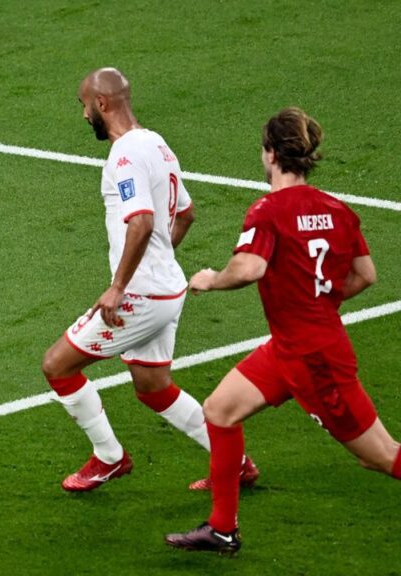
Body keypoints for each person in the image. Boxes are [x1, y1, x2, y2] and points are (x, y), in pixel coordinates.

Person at [165, 107, 401, 554]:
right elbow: (365, 275)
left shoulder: (268, 211)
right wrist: (318, 302)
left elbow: (251, 267)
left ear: (270, 153)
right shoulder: (339, 211)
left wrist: (211, 278)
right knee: (219, 410)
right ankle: (222, 529)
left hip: (316, 361)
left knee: (381, 456)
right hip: (291, 348)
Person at [42, 67, 258, 492]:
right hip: (168, 287)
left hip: (140, 294)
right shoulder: (158, 144)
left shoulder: (123, 157)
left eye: (84, 104)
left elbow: (140, 221)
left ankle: (110, 457)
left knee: (57, 366)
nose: (84, 114)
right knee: (153, 386)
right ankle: (237, 464)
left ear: (101, 104)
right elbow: (187, 213)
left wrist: (120, 285)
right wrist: (159, 260)